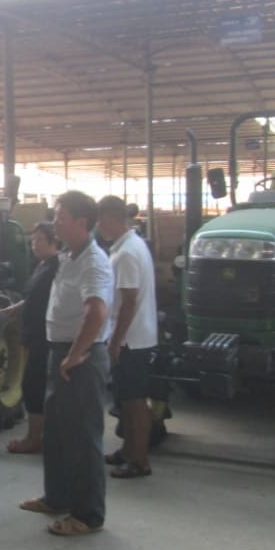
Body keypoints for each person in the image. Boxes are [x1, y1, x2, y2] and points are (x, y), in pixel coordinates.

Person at [18, 190, 112, 536]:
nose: (55, 222)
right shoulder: (69, 256)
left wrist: (75, 354)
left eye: (61, 217)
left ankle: (87, 516)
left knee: (82, 437)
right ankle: (56, 497)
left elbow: (97, 311)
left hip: (80, 359)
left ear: (81, 222)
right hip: (59, 353)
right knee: (56, 433)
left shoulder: (93, 261)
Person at [96, 196, 158, 479]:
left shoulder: (127, 253)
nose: (98, 226)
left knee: (134, 402)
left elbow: (129, 302)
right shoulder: (130, 246)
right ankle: (128, 450)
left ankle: (140, 460)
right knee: (126, 399)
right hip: (134, 337)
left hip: (131, 340)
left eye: (100, 220)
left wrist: (115, 341)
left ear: (111, 218)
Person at [0, 221, 61, 454]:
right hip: (33, 333)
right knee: (32, 384)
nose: (34, 245)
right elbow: (35, 298)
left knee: (35, 385)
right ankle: (37, 435)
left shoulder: (57, 267)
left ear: (53, 241)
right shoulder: (42, 265)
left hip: (46, 336)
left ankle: (35, 438)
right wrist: (16, 308)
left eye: (39, 240)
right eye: (32, 241)